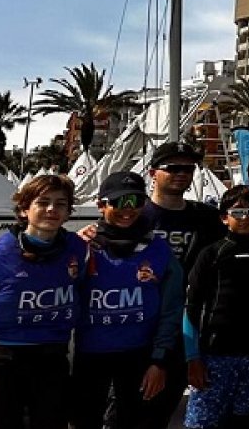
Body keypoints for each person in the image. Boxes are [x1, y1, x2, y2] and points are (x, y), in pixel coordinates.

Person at [73, 171, 184, 429]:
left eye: (136, 201)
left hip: (138, 355)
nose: (128, 210)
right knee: (83, 421)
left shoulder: (158, 247)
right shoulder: (81, 244)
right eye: (119, 202)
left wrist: (159, 360)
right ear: (101, 205)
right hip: (89, 355)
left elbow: (171, 306)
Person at [0, 175, 86, 429]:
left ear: (68, 212)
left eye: (60, 204)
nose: (52, 209)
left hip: (51, 355)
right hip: (2, 358)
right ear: (25, 209)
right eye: (43, 202)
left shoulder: (79, 249)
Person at [140, 141, 226, 428]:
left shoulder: (207, 217)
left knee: (163, 410)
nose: (182, 174)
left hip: (183, 328)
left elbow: (233, 243)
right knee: (127, 412)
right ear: (153, 172)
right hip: (136, 329)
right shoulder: (134, 215)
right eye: (173, 168)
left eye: (188, 169)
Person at [182, 185, 249, 429]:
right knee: (202, 423)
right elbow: (191, 306)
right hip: (214, 356)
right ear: (224, 218)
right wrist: (192, 357)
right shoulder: (210, 254)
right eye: (237, 212)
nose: (244, 217)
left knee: (248, 421)